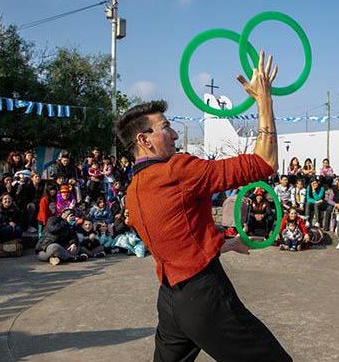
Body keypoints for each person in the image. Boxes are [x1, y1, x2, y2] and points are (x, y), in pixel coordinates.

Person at [118, 51, 291, 361]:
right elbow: (264, 162)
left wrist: (224, 244)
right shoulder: (177, 170)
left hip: (171, 301)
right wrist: (264, 100)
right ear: (145, 140)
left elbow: (179, 242)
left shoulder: (134, 191)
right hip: (205, 297)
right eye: (166, 128)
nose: (173, 134)